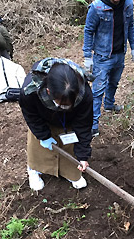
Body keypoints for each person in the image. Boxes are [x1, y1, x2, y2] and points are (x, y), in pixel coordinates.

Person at [19, 58, 93, 191]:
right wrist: (43, 135)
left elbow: (84, 124)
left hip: (68, 123)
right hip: (43, 119)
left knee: (69, 146)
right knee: (38, 149)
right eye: (61, 104)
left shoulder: (84, 92)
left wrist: (83, 155)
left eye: (68, 104)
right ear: (48, 91)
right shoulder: (30, 90)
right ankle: (34, 170)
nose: (64, 107)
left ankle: (69, 172)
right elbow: (31, 116)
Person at [83, 0, 134, 137]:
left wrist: (133, 47)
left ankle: (110, 104)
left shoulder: (128, 4)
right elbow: (88, 30)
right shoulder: (97, 7)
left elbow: (130, 26)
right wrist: (87, 56)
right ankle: (92, 124)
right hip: (102, 56)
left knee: (114, 83)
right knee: (97, 90)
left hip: (119, 53)